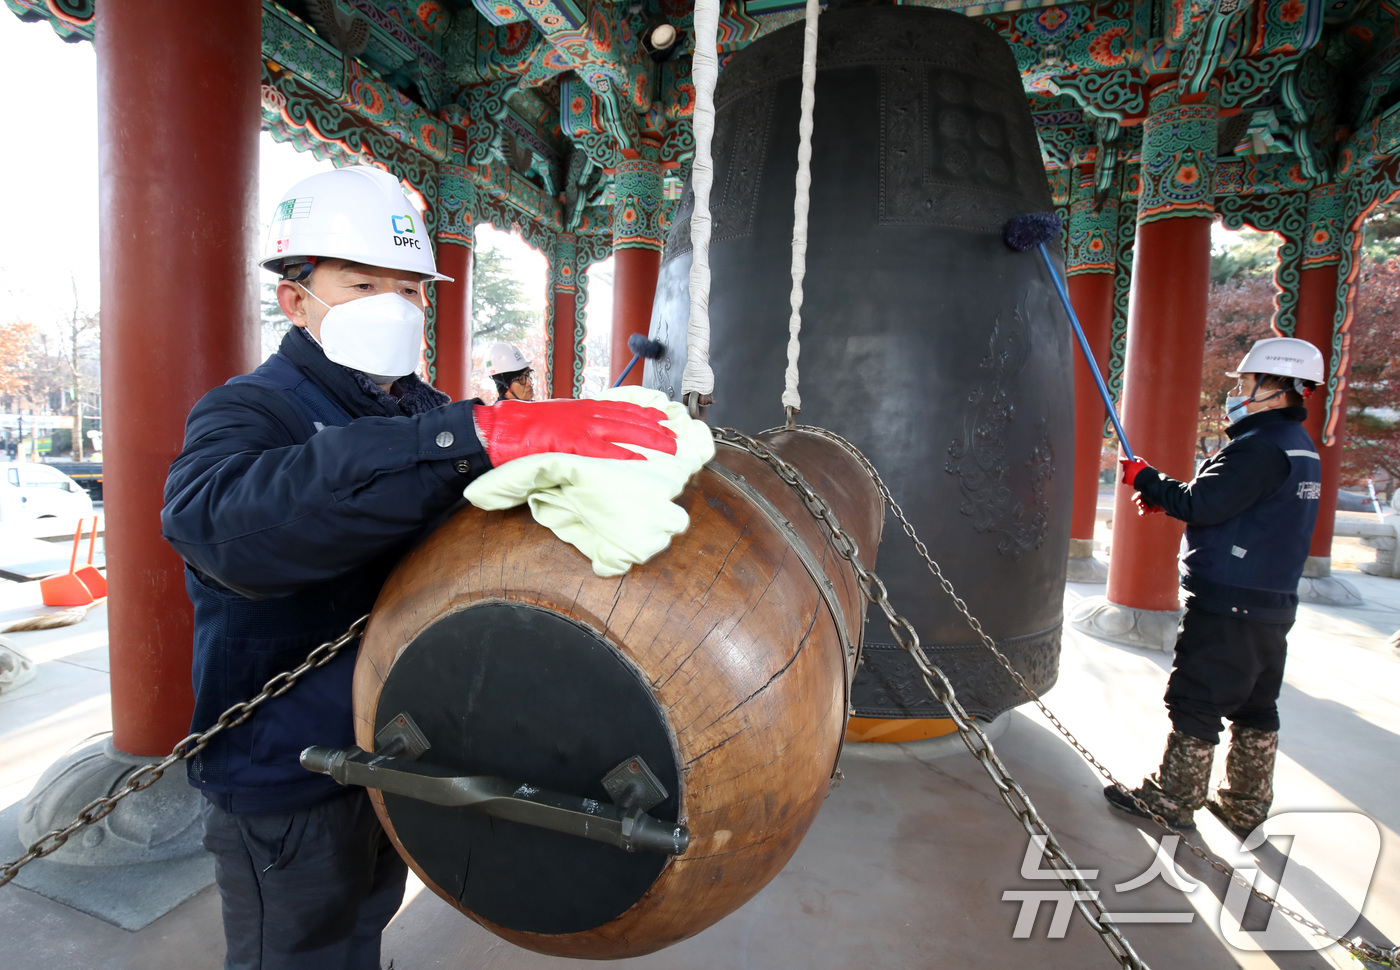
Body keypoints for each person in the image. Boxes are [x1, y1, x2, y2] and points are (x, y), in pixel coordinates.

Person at [160, 166, 677, 970]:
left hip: (403, 752)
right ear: (295, 299)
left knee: (368, 920)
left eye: (408, 289)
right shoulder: (251, 409)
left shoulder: (430, 410)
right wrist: (467, 439)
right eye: (364, 284)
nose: (393, 306)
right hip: (289, 765)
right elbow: (218, 525)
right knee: (298, 951)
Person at [1103, 336, 1325, 834]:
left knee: (1196, 697)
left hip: (1230, 600)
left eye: (1246, 384)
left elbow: (1202, 504)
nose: (1237, 393)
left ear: (1278, 388)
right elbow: (1234, 505)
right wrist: (1168, 497)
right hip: (1270, 600)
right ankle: (1245, 803)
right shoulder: (1297, 445)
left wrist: (1146, 479)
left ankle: (1173, 798)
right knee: (1255, 703)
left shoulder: (1259, 448)